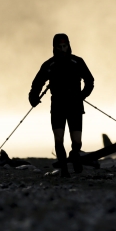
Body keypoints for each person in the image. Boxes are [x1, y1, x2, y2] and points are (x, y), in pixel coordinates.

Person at [29, 33, 94, 177]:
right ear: (54, 47)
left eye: (65, 46)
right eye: (59, 47)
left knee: (77, 141)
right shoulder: (49, 65)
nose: (62, 49)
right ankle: (64, 170)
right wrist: (33, 97)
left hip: (75, 106)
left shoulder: (77, 62)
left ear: (69, 46)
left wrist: (82, 95)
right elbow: (37, 83)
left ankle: (75, 154)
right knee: (59, 140)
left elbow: (89, 80)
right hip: (57, 106)